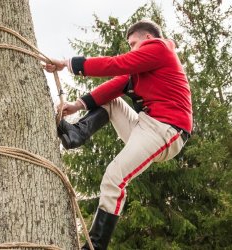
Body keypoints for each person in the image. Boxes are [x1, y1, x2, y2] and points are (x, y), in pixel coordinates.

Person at [45, 20, 192, 250]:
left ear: (148, 39)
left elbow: (116, 64)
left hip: (167, 129)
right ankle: (76, 134)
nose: (131, 48)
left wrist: (67, 63)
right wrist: (77, 105)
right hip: (146, 126)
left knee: (114, 178)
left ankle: (96, 245)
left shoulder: (160, 48)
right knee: (112, 102)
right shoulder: (141, 69)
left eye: (133, 43)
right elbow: (113, 87)